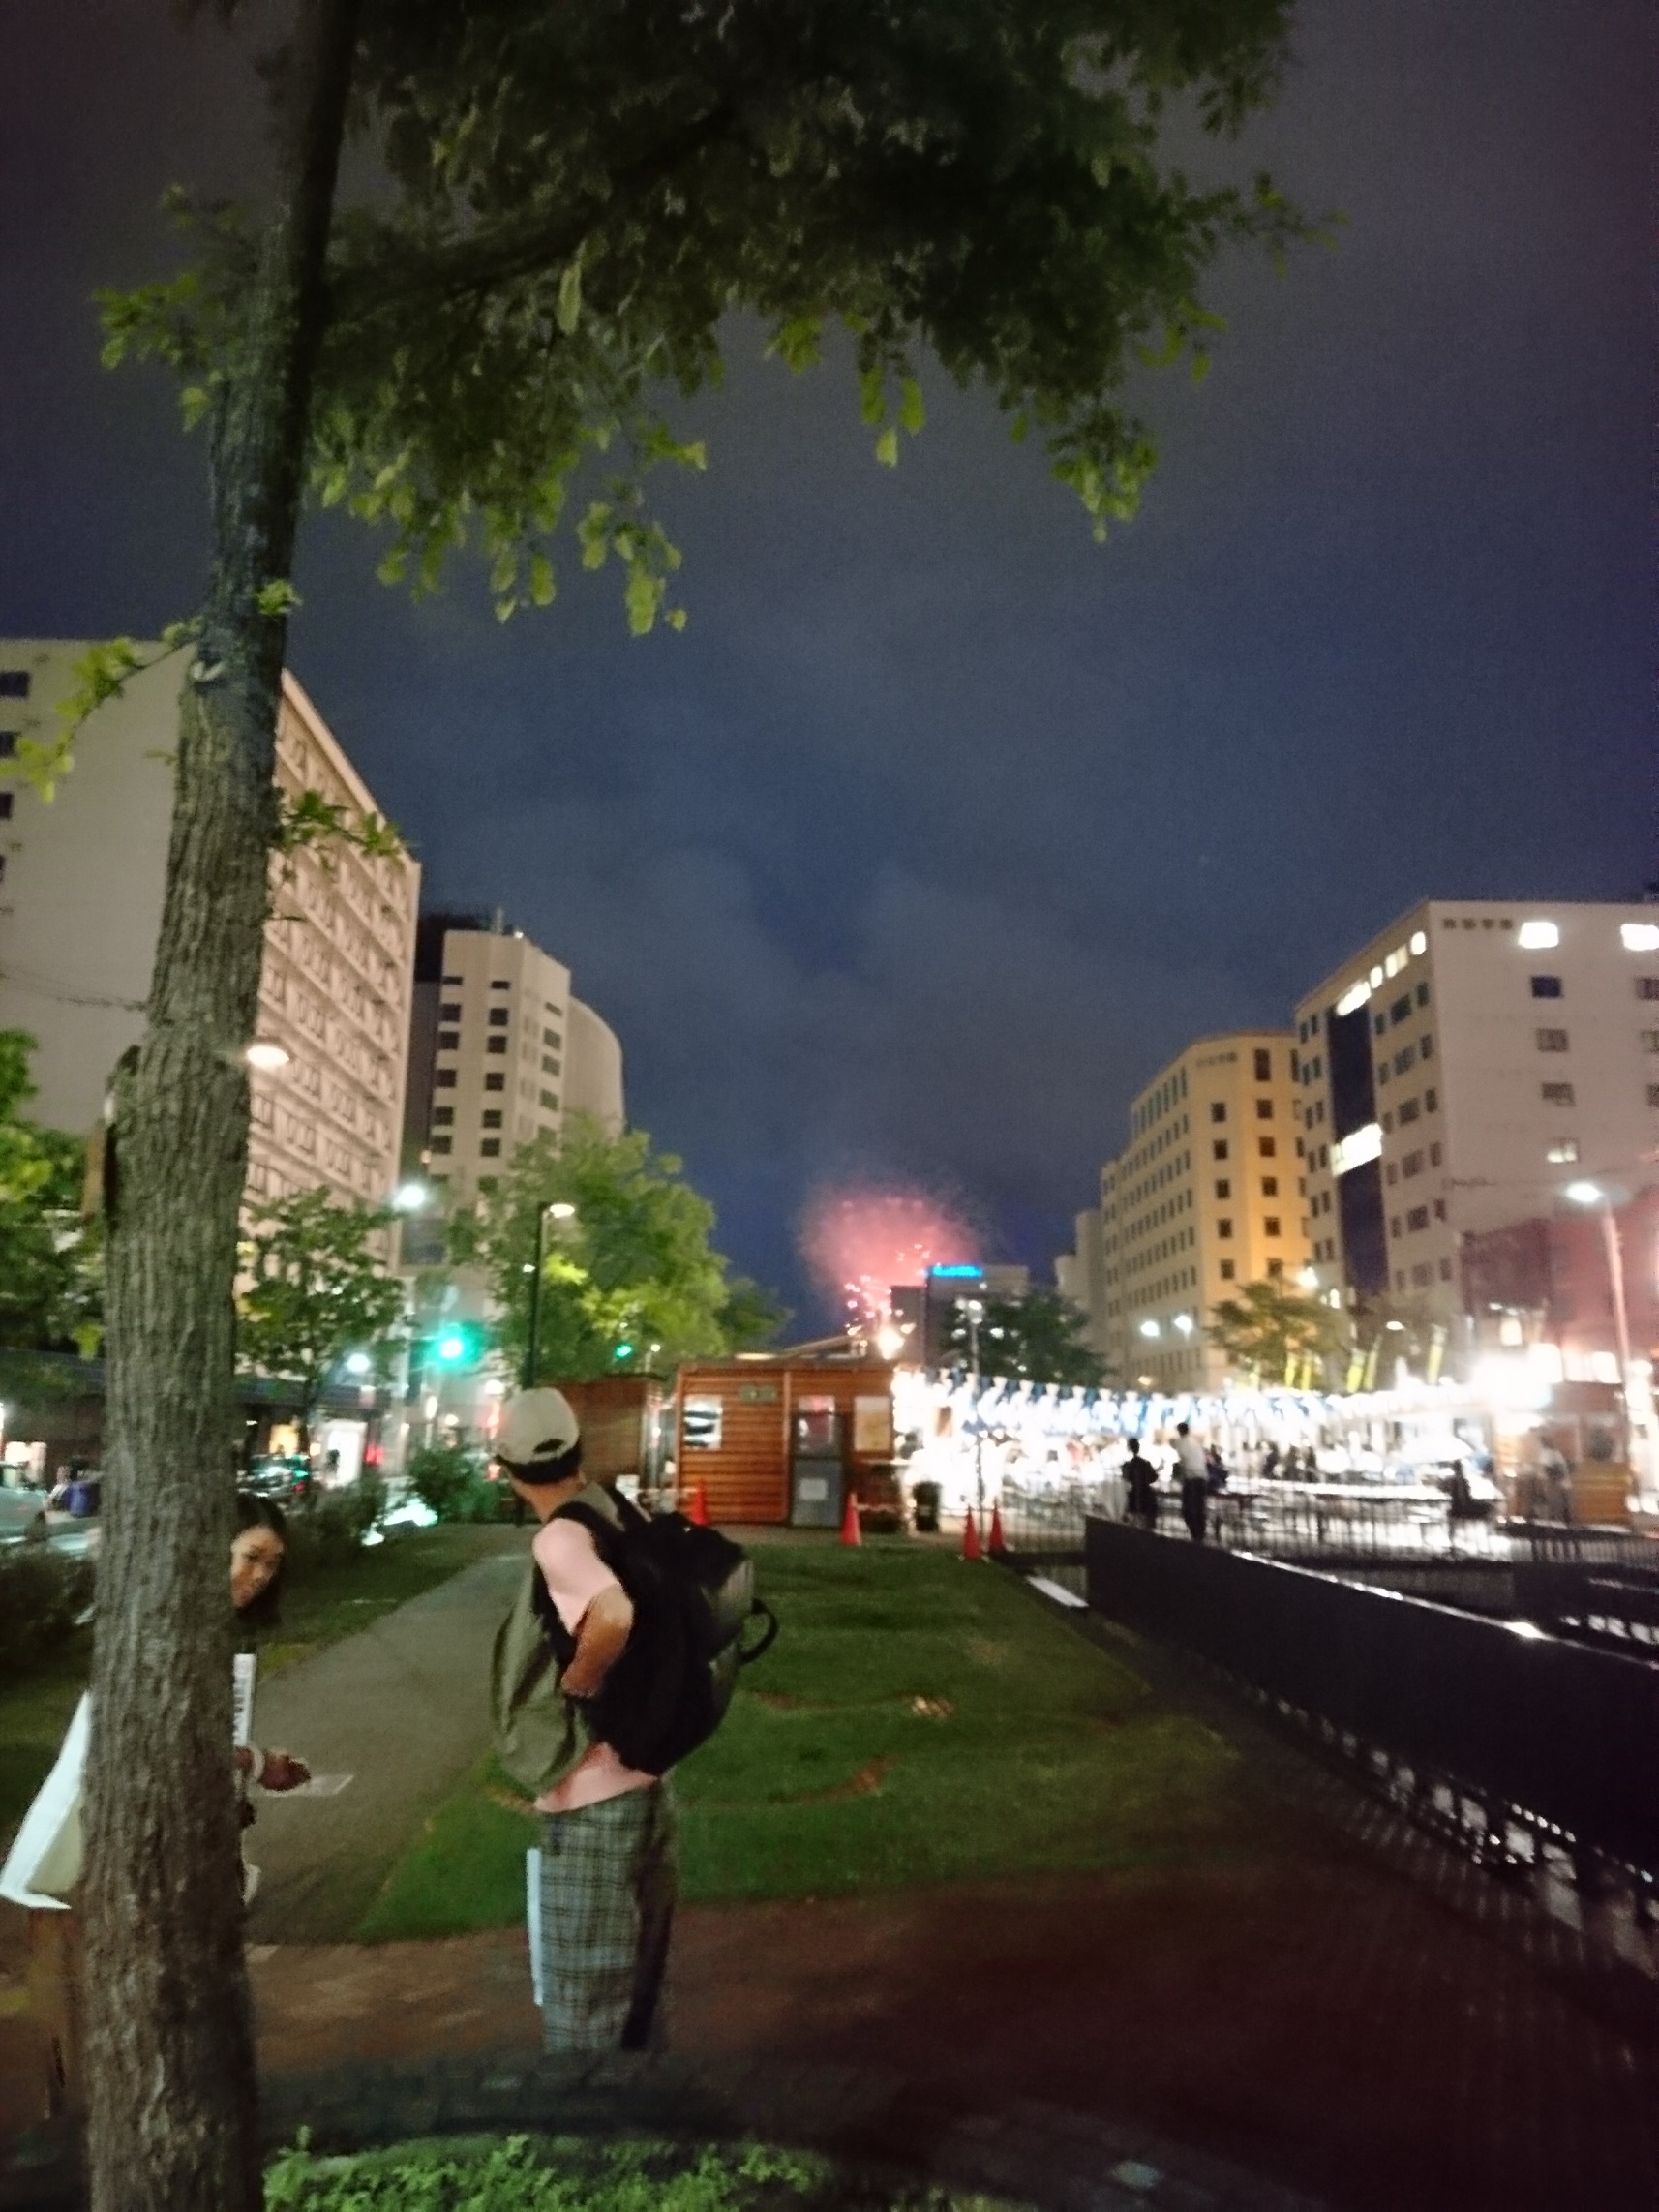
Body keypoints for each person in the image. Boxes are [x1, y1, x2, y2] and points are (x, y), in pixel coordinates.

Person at [496, 1387, 677, 2053]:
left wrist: (578, 1685)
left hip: (591, 1798)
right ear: (579, 1451)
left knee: (584, 2007)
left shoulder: (562, 1538)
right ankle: (641, 2136)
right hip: (646, 1779)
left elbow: (615, 1614)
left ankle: (587, 2147)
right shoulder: (615, 1511)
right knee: (638, 1997)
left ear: (506, 1468)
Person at [1174, 1421, 1208, 1543]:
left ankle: (1194, 1533)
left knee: (1189, 1508)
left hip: (1191, 1477)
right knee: (1199, 1507)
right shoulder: (1195, 1442)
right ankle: (1200, 1534)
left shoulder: (1181, 1443)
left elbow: (1182, 1461)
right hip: (1202, 1476)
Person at [1122, 1436, 1158, 1530]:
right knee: (1146, 1522)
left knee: (1133, 1520)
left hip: (1134, 1495)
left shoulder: (1128, 1465)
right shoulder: (1145, 1463)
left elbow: (1126, 1478)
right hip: (1146, 1495)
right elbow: (1154, 1477)